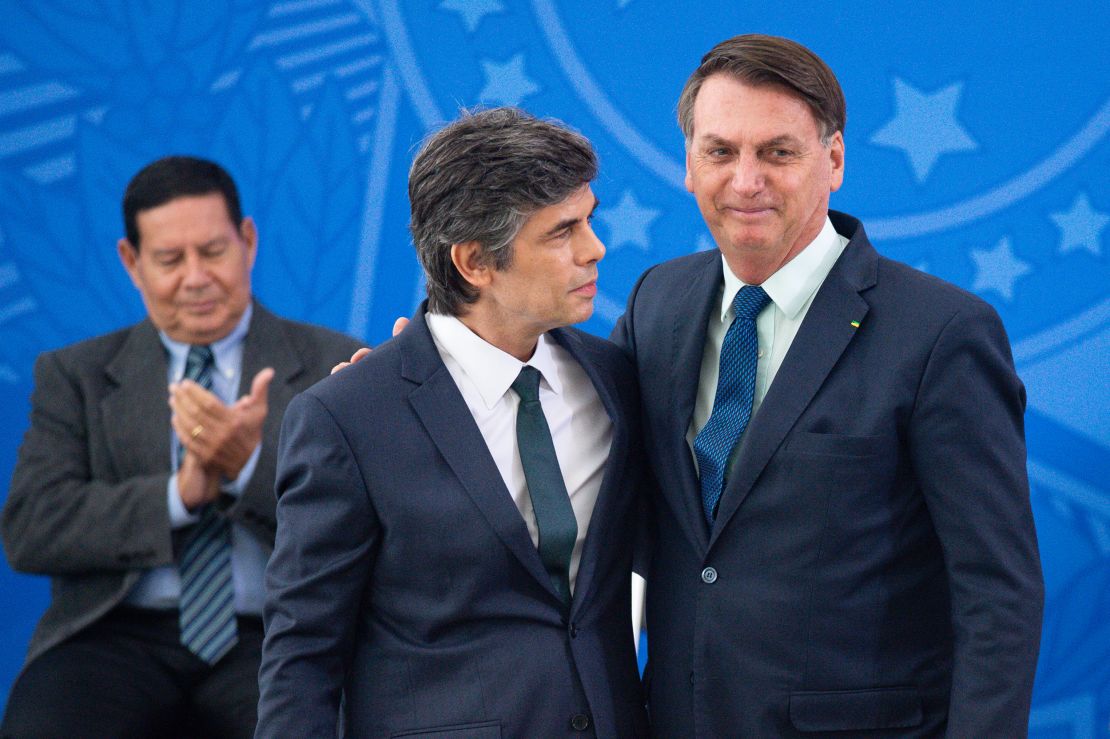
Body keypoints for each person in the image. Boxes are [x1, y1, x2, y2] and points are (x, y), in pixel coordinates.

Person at [611, 34, 1044, 736]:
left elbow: (998, 592)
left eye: (777, 153)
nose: (746, 181)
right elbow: (571, 432)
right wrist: (419, 379)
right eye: (721, 152)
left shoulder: (942, 332)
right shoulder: (655, 302)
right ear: (688, 165)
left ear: (834, 160)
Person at [255, 107, 648, 738]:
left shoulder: (618, 382)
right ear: (474, 262)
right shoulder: (347, 418)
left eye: (590, 220)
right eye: (561, 232)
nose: (594, 249)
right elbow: (303, 653)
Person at [1, 156, 362, 738]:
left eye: (213, 251)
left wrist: (245, 469)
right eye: (170, 259)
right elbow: (32, 528)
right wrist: (181, 493)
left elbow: (362, 525)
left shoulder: (333, 363)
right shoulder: (76, 375)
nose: (195, 277)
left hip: (280, 637)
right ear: (132, 262)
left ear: (247, 241)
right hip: (115, 635)